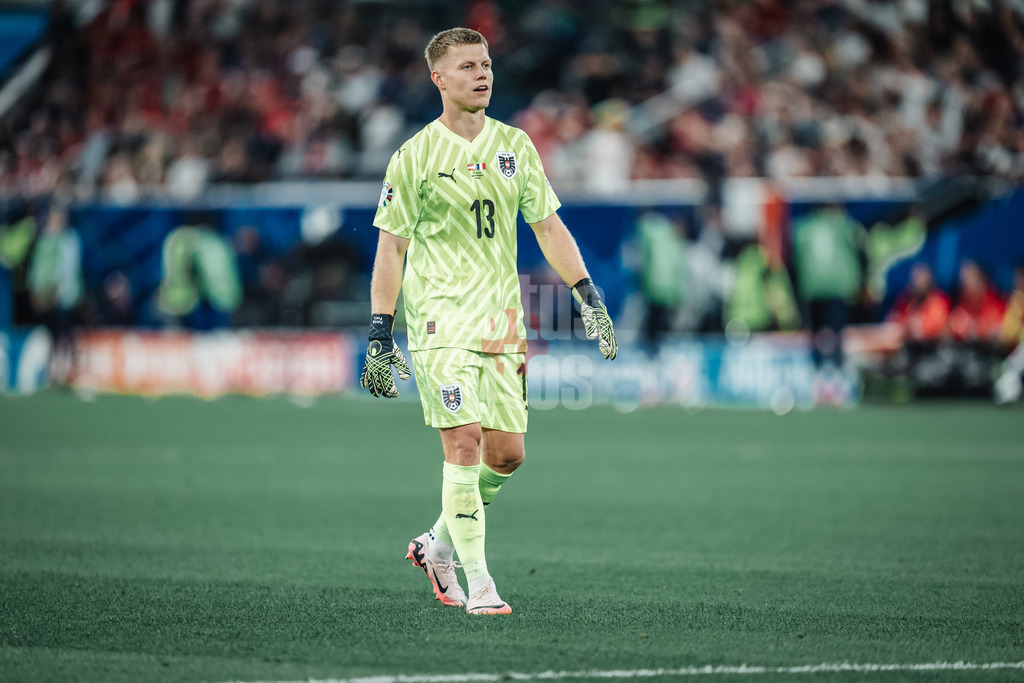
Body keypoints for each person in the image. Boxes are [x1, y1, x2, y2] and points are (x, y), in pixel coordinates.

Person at [359, 28, 616, 616]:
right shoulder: (414, 156)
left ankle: (436, 544)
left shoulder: (515, 146)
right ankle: (480, 584)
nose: (483, 75)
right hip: (439, 320)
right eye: (468, 66)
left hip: (501, 320)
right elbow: (391, 247)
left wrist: (587, 292)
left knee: (506, 456)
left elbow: (547, 226)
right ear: (438, 78)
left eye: (487, 64)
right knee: (464, 442)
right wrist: (380, 327)